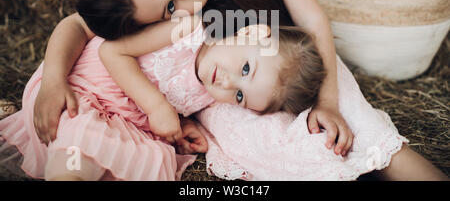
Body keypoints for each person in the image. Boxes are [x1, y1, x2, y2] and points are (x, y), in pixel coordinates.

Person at [34, 0, 353, 158]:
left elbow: (311, 19)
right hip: (255, 68)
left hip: (285, 54)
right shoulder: (163, 14)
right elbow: (77, 26)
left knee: (347, 114)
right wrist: (53, 80)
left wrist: (328, 102)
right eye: (171, 6)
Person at [0, 18, 326, 180]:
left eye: (239, 96)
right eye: (245, 67)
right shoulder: (189, 27)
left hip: (115, 120)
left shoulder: (210, 94)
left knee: (150, 162)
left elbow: (174, 100)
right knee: (82, 138)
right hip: (79, 91)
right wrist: (158, 107)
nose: (227, 83)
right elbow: (113, 50)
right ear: (253, 32)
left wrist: (182, 124)